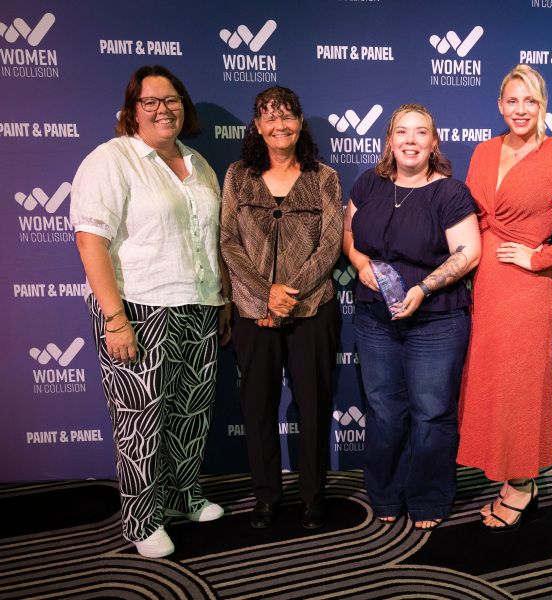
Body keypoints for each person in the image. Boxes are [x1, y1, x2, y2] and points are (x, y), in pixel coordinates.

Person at [71, 65, 230, 558]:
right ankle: (141, 520)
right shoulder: (112, 159)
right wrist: (115, 318)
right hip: (139, 308)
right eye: (151, 102)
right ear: (132, 111)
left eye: (172, 100)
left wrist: (221, 300)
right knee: (140, 420)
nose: (164, 109)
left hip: (199, 304)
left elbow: (212, 241)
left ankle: (183, 496)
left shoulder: (199, 164)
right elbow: (91, 241)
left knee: (190, 412)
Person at [457, 64, 552, 531]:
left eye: (530, 101)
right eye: (512, 101)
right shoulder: (484, 151)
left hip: (526, 292)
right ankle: (511, 481)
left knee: (518, 391)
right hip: (485, 286)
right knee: (494, 387)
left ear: (543, 106)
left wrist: (543, 256)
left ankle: (522, 487)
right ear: (500, 105)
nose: (520, 109)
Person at [343, 104, 481, 530]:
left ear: (433, 142)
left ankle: (428, 499)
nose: (410, 140)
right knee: (383, 410)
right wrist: (361, 265)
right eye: (401, 132)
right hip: (375, 317)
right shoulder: (368, 183)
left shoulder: (450, 192)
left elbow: (469, 253)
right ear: (389, 140)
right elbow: (348, 235)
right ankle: (386, 493)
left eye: (420, 132)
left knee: (432, 413)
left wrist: (423, 289)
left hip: (435, 318)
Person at [220, 86, 343, 531]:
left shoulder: (324, 177)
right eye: (269, 117)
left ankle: (313, 496)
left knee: (313, 406)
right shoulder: (238, 176)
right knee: (257, 407)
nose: (279, 125)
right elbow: (228, 241)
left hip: (312, 309)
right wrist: (264, 292)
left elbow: (331, 244)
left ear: (300, 122)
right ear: (257, 126)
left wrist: (289, 294)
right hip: (254, 312)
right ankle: (267, 496)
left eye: (287, 115)